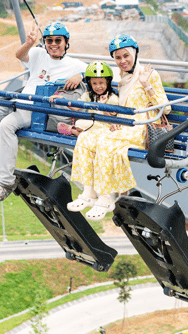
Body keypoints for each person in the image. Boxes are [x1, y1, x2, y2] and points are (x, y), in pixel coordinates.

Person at [0, 22, 86, 202]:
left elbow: (94, 71)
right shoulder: (39, 53)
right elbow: (20, 55)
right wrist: (29, 42)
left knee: (7, 125)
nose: (54, 44)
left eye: (58, 40)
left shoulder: (74, 64)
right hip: (18, 100)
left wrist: (79, 75)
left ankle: (6, 181)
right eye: (49, 40)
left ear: (66, 42)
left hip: (34, 107)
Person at [68, 34, 170, 220]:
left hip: (139, 127)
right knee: (86, 138)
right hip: (124, 124)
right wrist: (80, 75)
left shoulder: (148, 75)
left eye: (126, 56)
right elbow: (98, 74)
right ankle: (89, 192)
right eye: (118, 58)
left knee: (106, 143)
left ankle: (106, 197)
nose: (123, 61)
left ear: (134, 53)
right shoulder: (123, 77)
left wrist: (147, 85)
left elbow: (166, 108)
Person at [52, 61, 118, 136]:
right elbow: (76, 107)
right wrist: (62, 100)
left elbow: (112, 121)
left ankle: (74, 132)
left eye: (101, 83)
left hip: (106, 126)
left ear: (107, 82)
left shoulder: (113, 98)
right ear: (90, 84)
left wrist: (102, 106)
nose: (98, 86)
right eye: (94, 83)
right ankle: (80, 133)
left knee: (103, 131)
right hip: (91, 124)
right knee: (79, 123)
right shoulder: (89, 95)